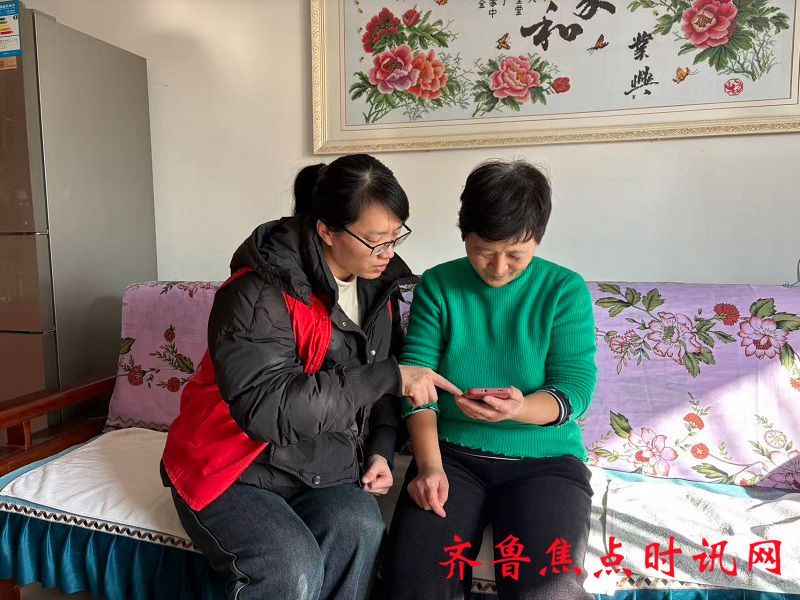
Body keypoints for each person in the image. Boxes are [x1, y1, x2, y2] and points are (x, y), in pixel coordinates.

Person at [160, 154, 460, 600]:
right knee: (289, 566)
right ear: (326, 230)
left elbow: (382, 381)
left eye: (396, 236)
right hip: (233, 465)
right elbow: (269, 409)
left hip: (319, 463)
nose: (389, 253)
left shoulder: (378, 286)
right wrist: (386, 377)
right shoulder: (258, 292)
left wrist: (380, 450)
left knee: (359, 528)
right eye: (375, 241)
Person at [385, 159, 598, 600]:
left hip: (546, 461)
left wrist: (520, 408)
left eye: (516, 254)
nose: (498, 268)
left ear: (538, 238)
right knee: (415, 582)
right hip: (453, 456)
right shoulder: (439, 285)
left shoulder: (564, 289)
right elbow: (417, 382)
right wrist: (429, 468)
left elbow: (575, 388)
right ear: (464, 233)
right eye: (483, 250)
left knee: (548, 590)